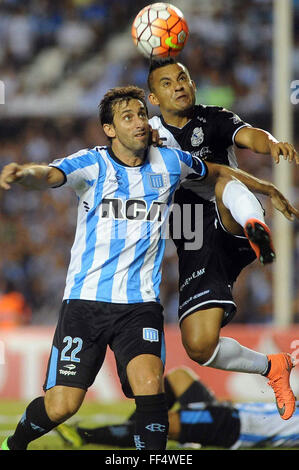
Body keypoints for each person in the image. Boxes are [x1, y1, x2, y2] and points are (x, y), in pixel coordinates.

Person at [1, 85, 285, 451]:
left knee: (150, 391)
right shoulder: (92, 164)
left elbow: (217, 172)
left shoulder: (169, 162)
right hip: (85, 303)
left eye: (140, 114)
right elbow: (50, 174)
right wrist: (24, 173)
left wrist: (266, 188)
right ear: (109, 129)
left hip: (140, 307)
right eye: (128, 117)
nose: (139, 123)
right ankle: (13, 445)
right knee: (62, 406)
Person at [146, 57, 299, 421]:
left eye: (182, 77)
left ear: (193, 83)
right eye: (167, 83)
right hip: (194, 237)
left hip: (231, 217)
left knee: (223, 181)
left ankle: (254, 227)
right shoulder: (147, 132)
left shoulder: (213, 117)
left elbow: (250, 136)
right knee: (199, 345)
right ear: (153, 97)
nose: (178, 85)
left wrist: (273, 143)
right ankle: (273, 367)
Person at [55, 366, 299, 450]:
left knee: (162, 424)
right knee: (179, 377)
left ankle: (84, 436)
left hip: (235, 428)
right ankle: (131, 431)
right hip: (232, 412)